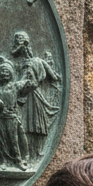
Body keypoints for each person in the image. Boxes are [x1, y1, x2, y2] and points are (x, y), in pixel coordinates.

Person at [11, 29, 60, 159]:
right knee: (23, 126)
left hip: (33, 96)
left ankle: (35, 154)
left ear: (24, 45)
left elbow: (53, 76)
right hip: (22, 96)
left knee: (34, 125)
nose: (14, 46)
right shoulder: (18, 64)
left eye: (17, 43)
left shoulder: (37, 61)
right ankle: (26, 155)